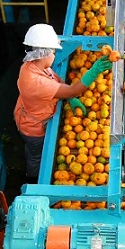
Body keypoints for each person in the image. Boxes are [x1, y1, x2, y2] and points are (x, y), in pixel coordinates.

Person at [14, 23, 112, 183]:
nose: (54, 55)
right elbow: (74, 90)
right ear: (43, 54)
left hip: (29, 110)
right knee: (36, 155)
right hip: (34, 127)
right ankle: (32, 179)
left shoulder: (31, 66)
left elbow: (54, 79)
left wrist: (68, 97)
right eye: (53, 52)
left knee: (32, 150)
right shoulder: (36, 82)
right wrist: (94, 71)